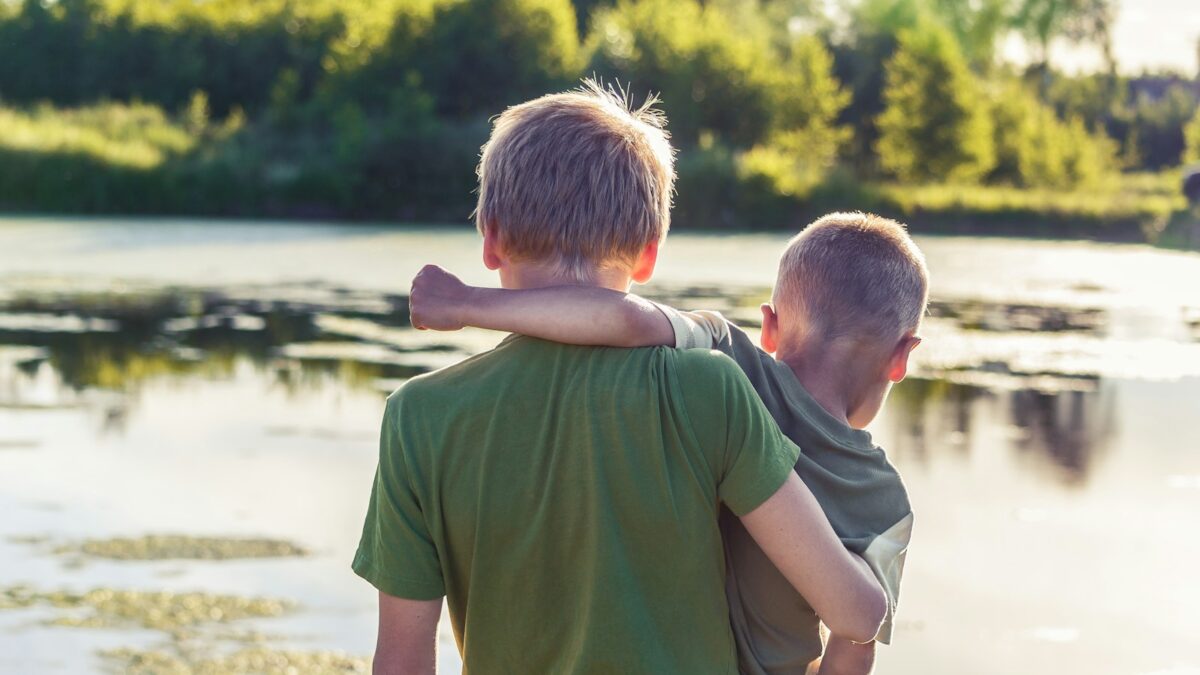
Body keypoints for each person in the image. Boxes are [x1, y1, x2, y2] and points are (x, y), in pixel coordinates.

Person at [354, 82, 886, 674]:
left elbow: (401, 662)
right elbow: (855, 616)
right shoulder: (710, 391)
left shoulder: (418, 417)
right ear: (649, 254)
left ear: (492, 239)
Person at [410, 212, 926, 674]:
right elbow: (855, 647)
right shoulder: (885, 502)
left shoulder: (733, 360)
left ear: (770, 327)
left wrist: (468, 304)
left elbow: (623, 317)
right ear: (902, 357)